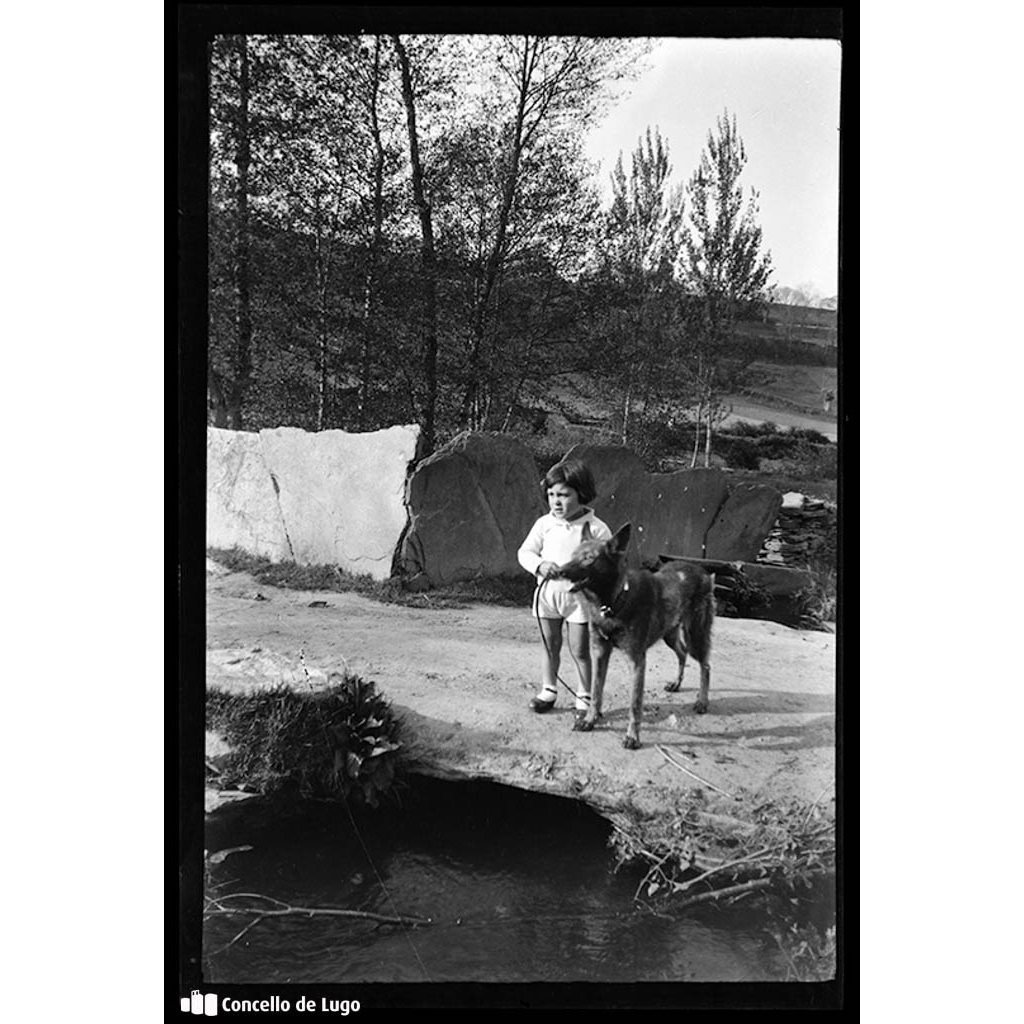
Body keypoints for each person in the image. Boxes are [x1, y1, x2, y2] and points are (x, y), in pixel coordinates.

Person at [517, 459, 612, 728]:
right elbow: (525, 552)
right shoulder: (545, 524)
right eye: (551, 495)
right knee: (550, 644)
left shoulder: (596, 529)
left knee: (580, 649)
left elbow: (608, 565)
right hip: (548, 596)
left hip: (579, 601)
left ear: (581, 493)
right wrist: (540, 565)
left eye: (563, 495)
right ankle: (548, 690)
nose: (556, 502)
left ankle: (585, 697)